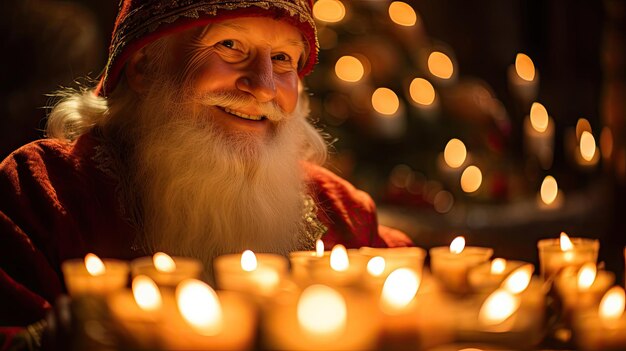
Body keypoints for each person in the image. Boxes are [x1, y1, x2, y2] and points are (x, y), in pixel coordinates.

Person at [0, 0, 413, 349]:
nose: (265, 86)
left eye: (284, 58)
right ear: (144, 65)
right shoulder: (43, 188)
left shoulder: (342, 212)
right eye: (230, 45)